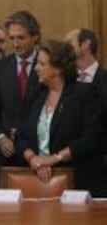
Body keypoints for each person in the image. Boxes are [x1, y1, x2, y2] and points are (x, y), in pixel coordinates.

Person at [17, 39, 101, 188]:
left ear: (58, 69)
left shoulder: (84, 93)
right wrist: (33, 159)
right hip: (37, 177)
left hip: (76, 179)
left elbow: (90, 138)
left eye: (42, 64)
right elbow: (21, 136)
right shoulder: (35, 95)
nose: (36, 68)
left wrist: (54, 158)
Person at [0, 10, 40, 170]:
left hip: (40, 152)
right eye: (12, 38)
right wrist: (0, 138)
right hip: (7, 154)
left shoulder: (47, 65)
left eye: (21, 38)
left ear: (35, 37)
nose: (15, 44)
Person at [64, 28, 107, 196]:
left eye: (69, 44)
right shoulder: (65, 82)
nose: (65, 49)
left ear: (86, 45)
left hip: (101, 165)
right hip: (70, 164)